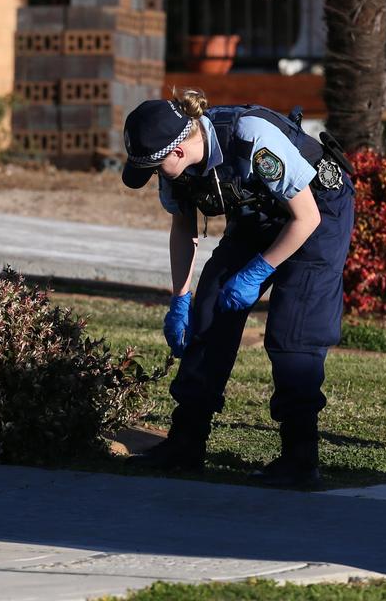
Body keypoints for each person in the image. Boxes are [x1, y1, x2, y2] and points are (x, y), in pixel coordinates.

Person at [121, 89, 354, 488]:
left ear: (176, 152)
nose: (155, 175)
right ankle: (186, 444)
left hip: (317, 211)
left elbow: (306, 217)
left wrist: (256, 272)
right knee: (209, 309)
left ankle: (300, 459)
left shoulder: (251, 137)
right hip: (259, 213)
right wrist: (181, 299)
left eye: (156, 166)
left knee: (294, 332)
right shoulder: (178, 169)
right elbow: (183, 228)